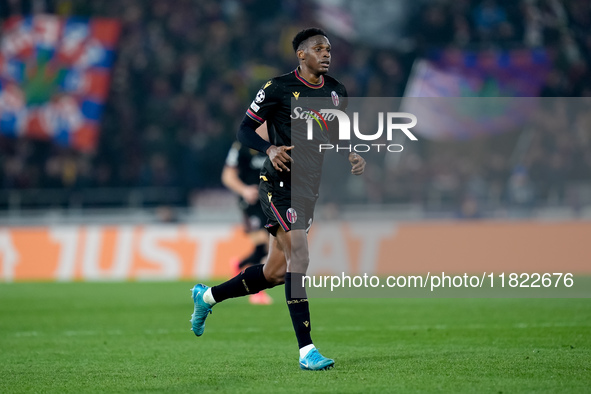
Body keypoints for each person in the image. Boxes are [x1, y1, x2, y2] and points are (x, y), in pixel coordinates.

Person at [190, 27, 366, 371]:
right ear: (301, 55)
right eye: (318, 48)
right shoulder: (277, 88)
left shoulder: (336, 92)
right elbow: (244, 129)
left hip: (307, 189)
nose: (326, 54)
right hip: (277, 185)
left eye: (328, 49)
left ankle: (207, 296)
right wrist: (268, 147)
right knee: (299, 254)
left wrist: (352, 154)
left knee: (274, 272)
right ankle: (307, 350)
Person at [221, 123, 273, 305]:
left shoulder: (278, 143)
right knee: (263, 246)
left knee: (268, 249)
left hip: (271, 201)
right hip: (251, 203)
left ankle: (240, 265)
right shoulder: (241, 146)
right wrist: (244, 190)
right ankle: (256, 291)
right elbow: (227, 176)